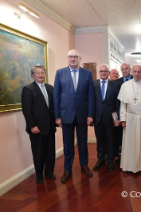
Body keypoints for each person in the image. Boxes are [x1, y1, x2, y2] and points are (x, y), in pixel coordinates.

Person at [54, 49, 95, 183]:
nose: (73, 59)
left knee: (83, 142)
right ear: (67, 58)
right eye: (71, 56)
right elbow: (56, 96)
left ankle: (84, 165)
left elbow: (90, 96)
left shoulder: (87, 74)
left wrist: (90, 115)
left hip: (82, 115)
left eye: (75, 57)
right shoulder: (60, 73)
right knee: (68, 144)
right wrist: (57, 116)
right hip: (66, 115)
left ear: (79, 58)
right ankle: (67, 169)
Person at [21, 64, 56, 184]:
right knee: (39, 152)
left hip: (50, 126)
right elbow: (27, 110)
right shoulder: (28, 89)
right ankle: (39, 175)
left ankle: (49, 172)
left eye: (43, 73)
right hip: (37, 127)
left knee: (50, 151)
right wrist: (32, 126)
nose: (41, 75)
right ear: (33, 75)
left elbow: (53, 107)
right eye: (38, 73)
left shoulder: (50, 88)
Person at [93, 64, 120, 172]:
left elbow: (117, 103)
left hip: (110, 118)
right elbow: (91, 101)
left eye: (105, 71)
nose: (103, 73)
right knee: (99, 140)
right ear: (99, 73)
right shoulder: (94, 84)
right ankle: (100, 159)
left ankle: (110, 160)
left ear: (108, 73)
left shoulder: (115, 85)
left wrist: (118, 117)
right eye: (101, 71)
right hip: (97, 117)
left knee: (110, 140)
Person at [113, 63, 133, 161]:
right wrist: (119, 117)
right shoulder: (117, 82)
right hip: (121, 113)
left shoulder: (136, 79)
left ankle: (132, 157)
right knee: (121, 136)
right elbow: (116, 101)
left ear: (130, 69)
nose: (124, 71)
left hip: (134, 114)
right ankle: (122, 158)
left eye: (126, 69)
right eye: (122, 69)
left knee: (132, 137)